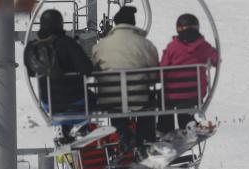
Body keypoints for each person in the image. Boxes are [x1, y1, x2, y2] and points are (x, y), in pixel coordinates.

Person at [92, 6, 159, 155]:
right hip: (139, 98)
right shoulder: (145, 44)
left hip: (111, 99)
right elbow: (154, 72)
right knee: (148, 102)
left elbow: (94, 66)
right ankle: (145, 140)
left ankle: (123, 133)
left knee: (114, 101)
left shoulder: (101, 45)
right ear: (133, 23)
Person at [24, 9, 94, 138]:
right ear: (60, 24)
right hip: (76, 99)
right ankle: (81, 125)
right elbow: (87, 69)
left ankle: (64, 128)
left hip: (48, 102)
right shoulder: (67, 43)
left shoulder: (32, 48)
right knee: (92, 98)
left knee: (62, 100)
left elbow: (31, 73)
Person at [158, 13, 219, 133]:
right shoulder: (204, 46)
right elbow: (216, 59)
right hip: (195, 95)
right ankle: (186, 123)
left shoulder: (173, 47)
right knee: (185, 102)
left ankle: (165, 127)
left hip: (171, 95)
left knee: (163, 99)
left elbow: (162, 69)